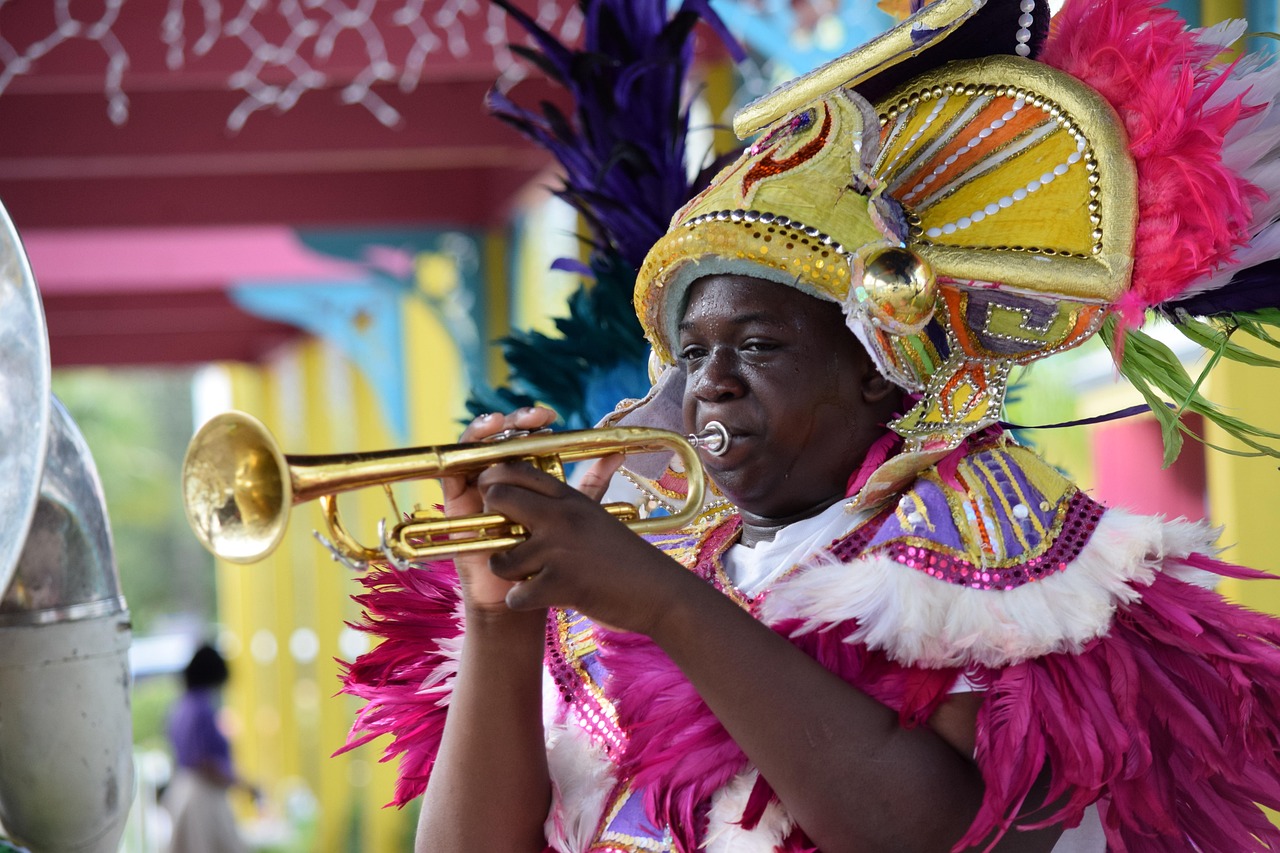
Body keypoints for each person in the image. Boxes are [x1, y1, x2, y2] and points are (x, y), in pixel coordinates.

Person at [337, 0, 1280, 849]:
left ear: (877, 374)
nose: (713, 385)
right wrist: (500, 623)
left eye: (758, 345)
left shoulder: (1001, 543)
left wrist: (664, 601)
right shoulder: (649, 555)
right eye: (693, 353)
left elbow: (944, 832)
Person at [162, 644, 259, 853]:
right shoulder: (202, 708)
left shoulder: (181, 706)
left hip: (184, 792)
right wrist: (244, 785)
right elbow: (206, 763)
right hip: (203, 798)